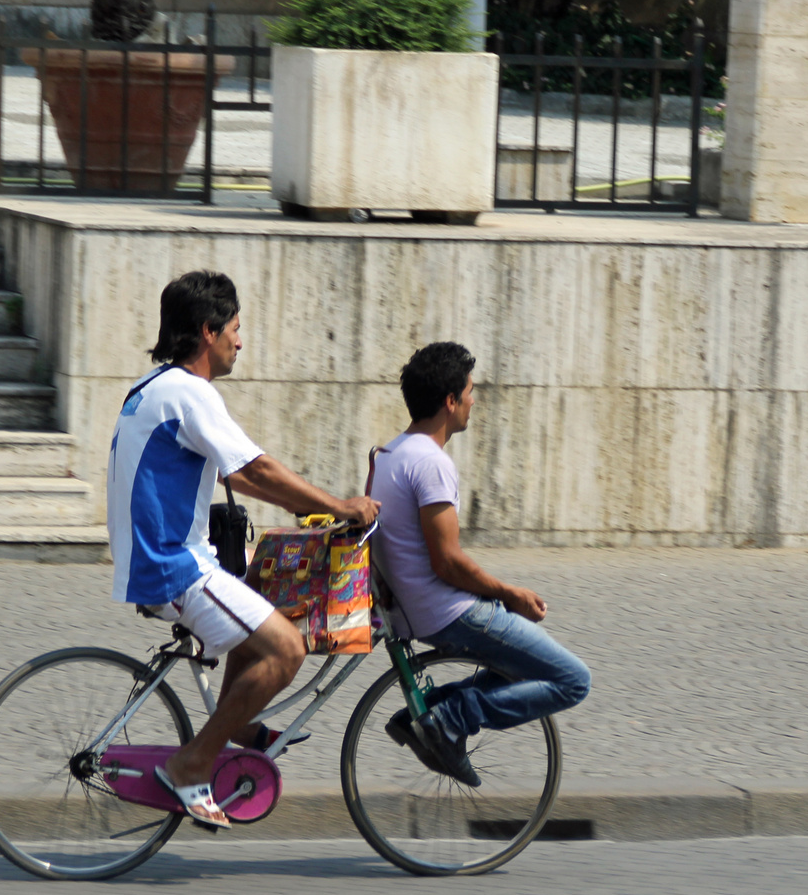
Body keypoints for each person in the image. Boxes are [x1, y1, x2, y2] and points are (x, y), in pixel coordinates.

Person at [107, 270, 380, 829]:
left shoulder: (152, 387)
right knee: (287, 649)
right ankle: (191, 766)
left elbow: (241, 475)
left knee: (259, 618)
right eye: (234, 328)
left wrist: (303, 508)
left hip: (166, 561)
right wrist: (342, 505)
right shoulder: (190, 391)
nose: (240, 340)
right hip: (173, 566)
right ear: (207, 332)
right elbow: (257, 466)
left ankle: (239, 727)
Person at [369, 341, 591, 786]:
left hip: (410, 610)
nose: (474, 400)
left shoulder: (388, 456)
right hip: (445, 611)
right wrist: (509, 593)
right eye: (469, 391)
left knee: (517, 665)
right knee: (572, 679)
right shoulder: (431, 464)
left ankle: (431, 713)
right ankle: (452, 717)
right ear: (450, 401)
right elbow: (447, 562)